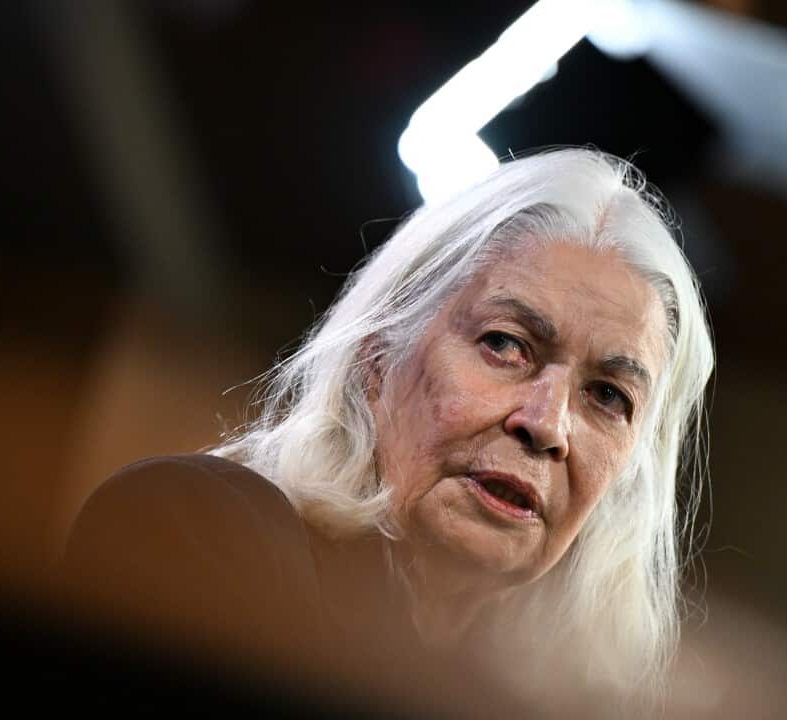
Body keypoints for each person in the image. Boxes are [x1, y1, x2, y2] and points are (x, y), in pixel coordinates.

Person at [58, 148, 715, 716]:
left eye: (607, 395)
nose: (546, 426)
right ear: (377, 356)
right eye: (505, 344)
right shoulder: (195, 526)